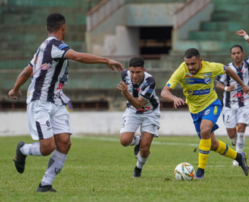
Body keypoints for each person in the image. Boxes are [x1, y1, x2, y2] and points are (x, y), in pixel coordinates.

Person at [8, 13, 123, 192]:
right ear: (64, 27)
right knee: (47, 147)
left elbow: (26, 71)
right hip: (40, 102)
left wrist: (15, 88)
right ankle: (23, 150)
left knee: (64, 142)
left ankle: (45, 184)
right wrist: (106, 60)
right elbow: (77, 56)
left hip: (56, 101)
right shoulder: (55, 45)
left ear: (47, 28)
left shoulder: (42, 48)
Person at [161, 46, 249, 180]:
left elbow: (227, 69)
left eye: (193, 64)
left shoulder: (211, 67)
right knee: (212, 144)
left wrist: (242, 84)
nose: (190, 67)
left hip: (212, 104)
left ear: (200, 61)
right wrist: (173, 98)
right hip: (195, 110)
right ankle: (239, 157)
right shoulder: (181, 70)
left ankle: (200, 172)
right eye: (187, 64)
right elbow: (164, 92)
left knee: (205, 131)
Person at [216, 30, 249, 166]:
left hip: (245, 103)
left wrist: (246, 36)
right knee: (231, 134)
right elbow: (218, 84)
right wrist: (225, 89)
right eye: (234, 53)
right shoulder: (227, 68)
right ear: (231, 55)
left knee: (241, 129)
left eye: (238, 53)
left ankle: (238, 156)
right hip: (229, 105)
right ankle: (233, 138)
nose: (236, 55)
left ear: (242, 54)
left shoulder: (248, 64)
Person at [117, 57, 160, 178]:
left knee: (145, 148)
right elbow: (134, 105)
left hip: (150, 112)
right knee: (124, 141)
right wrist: (126, 93)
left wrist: (126, 94)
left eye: (138, 72)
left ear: (143, 70)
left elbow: (139, 104)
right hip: (132, 111)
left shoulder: (150, 81)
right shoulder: (125, 75)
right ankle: (138, 140)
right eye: (132, 72)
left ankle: (138, 169)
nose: (134, 75)